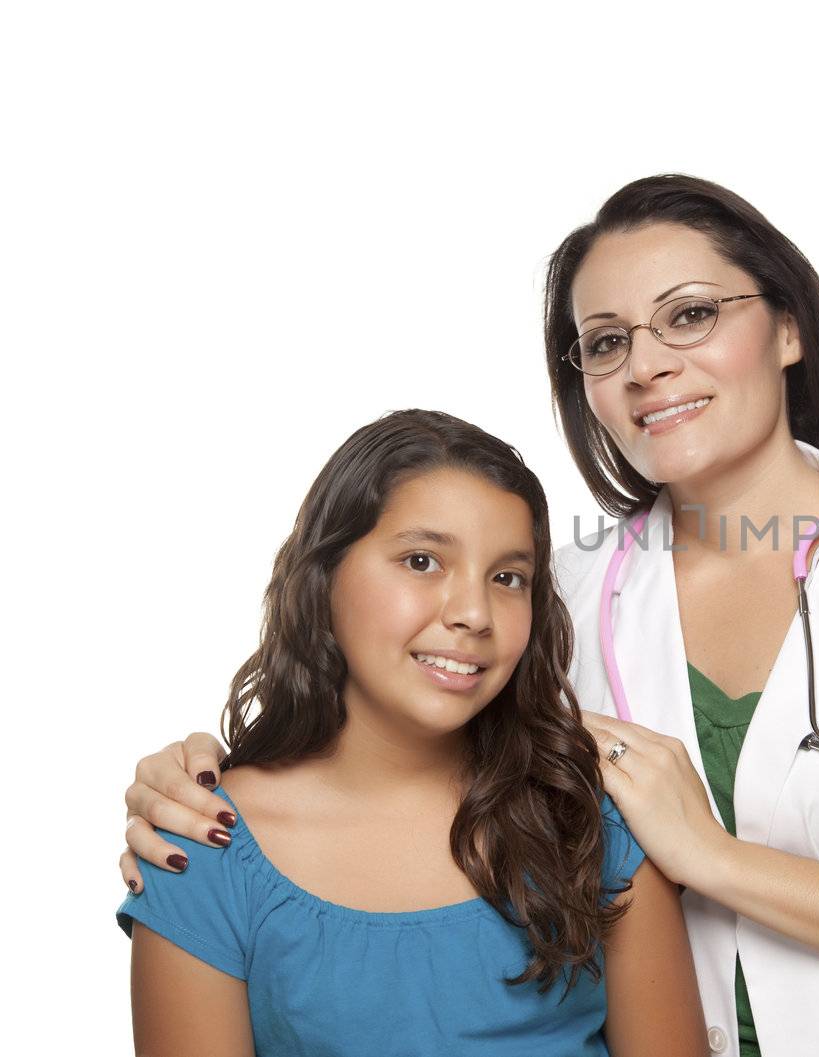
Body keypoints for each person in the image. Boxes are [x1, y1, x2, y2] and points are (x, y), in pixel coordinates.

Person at [116, 177, 819, 1057]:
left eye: (690, 315)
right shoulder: (539, 601)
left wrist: (715, 858)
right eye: (606, 342)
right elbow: (371, 753)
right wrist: (199, 773)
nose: (646, 364)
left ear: (788, 329)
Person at [116, 410, 704, 1057]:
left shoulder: (591, 819)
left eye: (508, 577)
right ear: (325, 576)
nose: (474, 613)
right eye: (422, 561)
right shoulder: (205, 845)